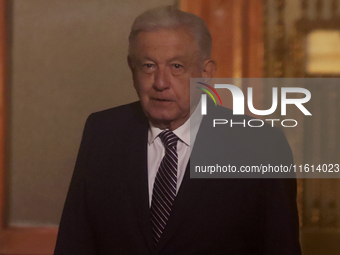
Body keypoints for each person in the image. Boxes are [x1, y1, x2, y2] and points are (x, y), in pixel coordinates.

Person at [54, 6, 301, 255]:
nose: (161, 83)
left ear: (205, 73)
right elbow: (74, 242)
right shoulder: (103, 133)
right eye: (149, 66)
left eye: (177, 67)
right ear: (133, 70)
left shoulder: (260, 145)